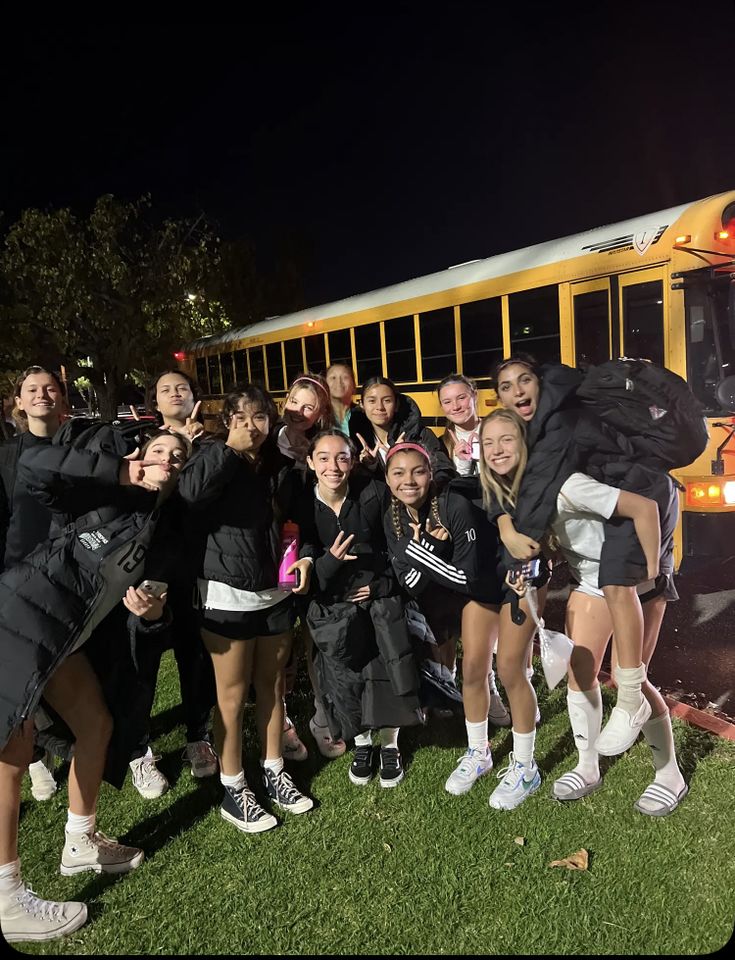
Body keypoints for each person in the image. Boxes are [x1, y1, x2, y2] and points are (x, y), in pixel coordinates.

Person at [0, 426, 190, 943]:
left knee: (96, 723)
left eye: (178, 456)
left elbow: (154, 609)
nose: (168, 460)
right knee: (11, 753)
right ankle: (7, 898)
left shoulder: (165, 532)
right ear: (139, 456)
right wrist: (118, 471)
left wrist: (153, 615)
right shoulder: (99, 492)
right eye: (158, 451)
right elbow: (32, 466)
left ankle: (80, 843)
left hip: (65, 640)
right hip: (21, 617)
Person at [494, 356, 687, 814]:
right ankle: (587, 765)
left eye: (510, 442)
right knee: (582, 673)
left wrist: (654, 576)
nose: (503, 450)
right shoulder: (523, 493)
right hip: (589, 577)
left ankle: (669, 773)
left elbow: (643, 506)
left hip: (632, 578)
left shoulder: (566, 480)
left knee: (632, 681)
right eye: (495, 444)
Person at [177, 383, 314, 834]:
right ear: (228, 420)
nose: (252, 426)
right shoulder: (211, 455)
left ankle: (274, 771)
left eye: (260, 417)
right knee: (231, 698)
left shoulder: (277, 463)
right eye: (242, 417)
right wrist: (227, 451)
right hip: (225, 594)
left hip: (273, 592)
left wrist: (304, 558)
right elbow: (190, 497)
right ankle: (234, 787)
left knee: (272, 688)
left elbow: (296, 518)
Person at [293, 429, 422, 787]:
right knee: (344, 679)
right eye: (323, 457)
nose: (333, 466)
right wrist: (329, 562)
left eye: (342, 457)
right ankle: (362, 742)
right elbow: (305, 570)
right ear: (310, 462)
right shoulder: (303, 505)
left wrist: (380, 586)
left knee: (385, 671)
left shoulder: (373, 494)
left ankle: (391, 745)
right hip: (333, 606)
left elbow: (397, 551)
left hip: (378, 600)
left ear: (352, 461)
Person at [383, 442, 506, 797]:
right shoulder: (390, 515)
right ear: (388, 479)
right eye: (398, 473)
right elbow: (410, 585)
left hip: (478, 590)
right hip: (436, 593)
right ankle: (473, 729)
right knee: (441, 652)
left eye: (418, 471)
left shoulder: (455, 505)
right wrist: (434, 551)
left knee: (475, 667)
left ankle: (483, 725)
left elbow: (468, 579)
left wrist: (417, 553)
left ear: (431, 474)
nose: (409, 481)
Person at [126, 370, 217, 796]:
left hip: (193, 569)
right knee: (140, 663)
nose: (175, 393)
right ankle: (139, 752)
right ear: (156, 402)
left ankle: (199, 737)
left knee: (194, 657)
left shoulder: (206, 446)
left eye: (182, 387)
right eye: (165, 389)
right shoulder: (144, 444)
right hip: (144, 575)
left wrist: (198, 447)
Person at [0, 366, 68, 802]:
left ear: (62, 398)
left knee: (63, 672)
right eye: (31, 390)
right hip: (19, 577)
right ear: (19, 404)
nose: (42, 394)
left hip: (68, 577)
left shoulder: (77, 447)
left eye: (50, 388)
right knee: (26, 678)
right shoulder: (7, 457)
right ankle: (39, 758)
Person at [277, 372, 346, 761]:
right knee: (279, 647)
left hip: (307, 548)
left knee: (314, 640)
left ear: (320, 412)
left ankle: (323, 717)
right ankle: (283, 722)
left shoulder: (321, 447)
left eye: (309, 406)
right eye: (295, 403)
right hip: (268, 553)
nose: (299, 412)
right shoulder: (267, 441)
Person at [436, 373, 511, 726]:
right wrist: (464, 464)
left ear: (474, 396)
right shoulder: (441, 441)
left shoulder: (497, 428)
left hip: (500, 532)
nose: (455, 406)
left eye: (461, 398)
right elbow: (443, 488)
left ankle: (493, 685)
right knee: (464, 619)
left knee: (495, 616)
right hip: (464, 540)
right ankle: (455, 689)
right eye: (447, 402)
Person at [350, 376, 454, 487]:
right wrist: (369, 467)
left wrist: (407, 456)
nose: (380, 407)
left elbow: (443, 472)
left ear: (396, 405)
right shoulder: (355, 443)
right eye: (372, 401)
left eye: (387, 400)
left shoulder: (421, 435)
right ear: (362, 405)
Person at [325, 363, 357, 435]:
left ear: (354, 385)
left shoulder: (363, 415)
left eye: (345, 377)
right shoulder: (318, 418)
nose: (339, 382)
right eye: (333, 377)